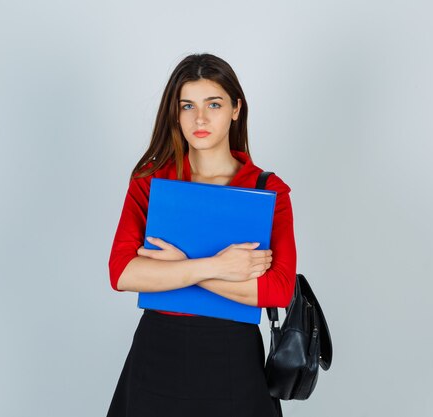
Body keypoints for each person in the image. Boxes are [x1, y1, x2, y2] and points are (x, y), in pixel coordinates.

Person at [106, 53, 297, 417]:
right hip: (157, 351)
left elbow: (277, 289)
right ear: (175, 114)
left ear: (236, 109)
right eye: (188, 106)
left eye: (214, 104)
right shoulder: (151, 183)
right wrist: (217, 266)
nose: (201, 119)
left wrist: (178, 268)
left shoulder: (267, 190)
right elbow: (122, 273)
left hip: (232, 356)